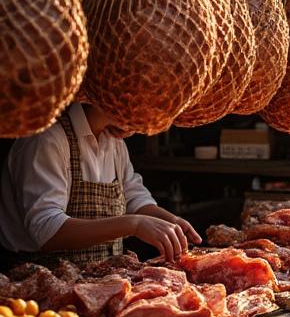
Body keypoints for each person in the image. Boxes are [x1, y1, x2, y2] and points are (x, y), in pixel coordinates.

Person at [0, 102, 201, 266]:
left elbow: (133, 198)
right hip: (35, 289)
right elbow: (47, 230)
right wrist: (134, 224)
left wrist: (172, 222)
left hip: (95, 285)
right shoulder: (47, 140)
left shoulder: (114, 143)